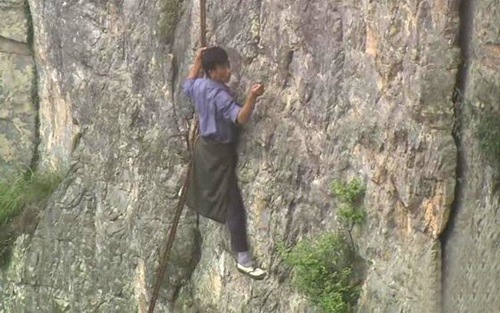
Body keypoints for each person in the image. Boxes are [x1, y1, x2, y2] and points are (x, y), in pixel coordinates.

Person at [183, 46, 266, 280]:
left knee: (211, 190)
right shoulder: (219, 94)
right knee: (233, 205)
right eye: (223, 68)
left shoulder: (199, 86)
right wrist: (252, 98)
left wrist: (198, 60)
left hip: (205, 149)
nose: (228, 71)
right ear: (212, 71)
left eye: (227, 65)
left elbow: (187, 84)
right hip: (219, 152)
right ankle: (244, 259)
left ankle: (242, 256)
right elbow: (239, 118)